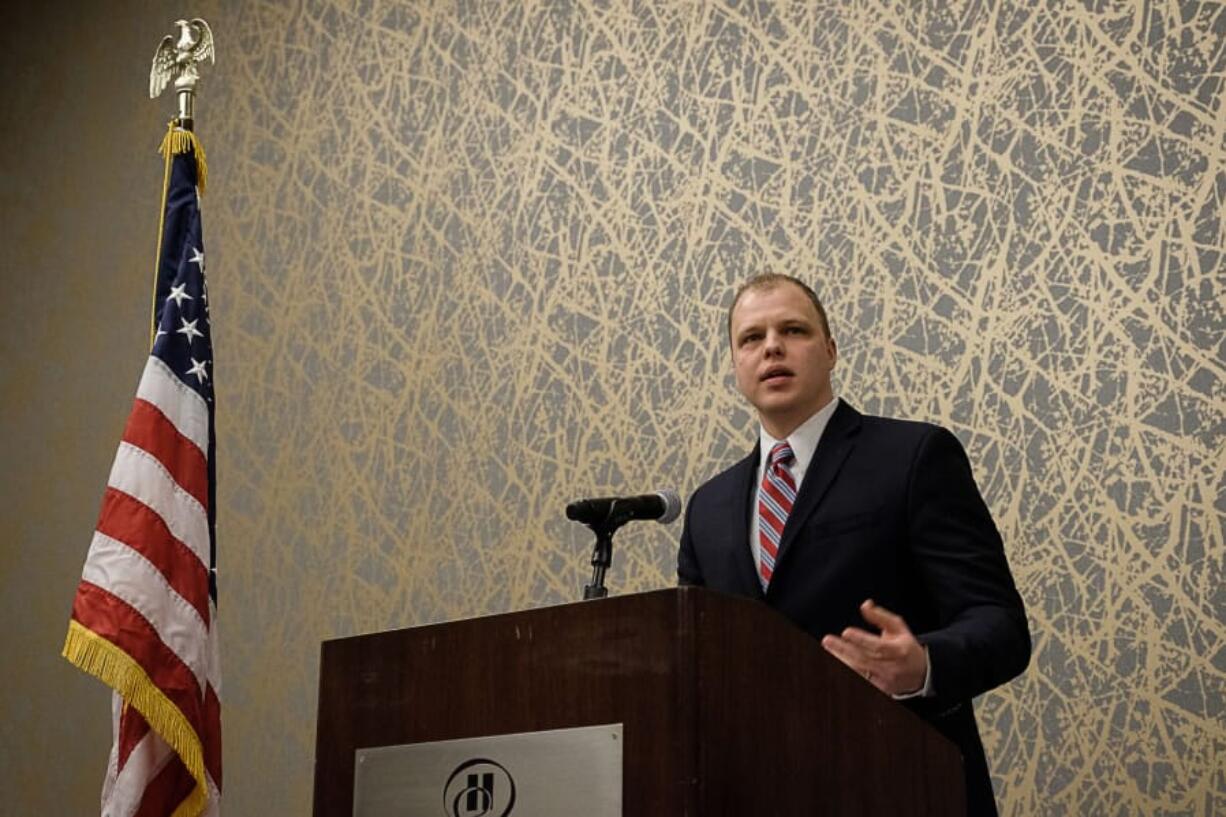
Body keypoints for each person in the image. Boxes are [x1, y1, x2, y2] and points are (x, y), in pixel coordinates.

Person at [677, 273, 1030, 817]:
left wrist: (925, 665)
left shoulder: (913, 456)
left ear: (831, 350)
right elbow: (697, 662)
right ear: (735, 364)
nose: (772, 346)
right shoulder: (707, 507)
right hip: (756, 792)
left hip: (903, 783)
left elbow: (1000, 623)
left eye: (793, 329)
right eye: (751, 338)